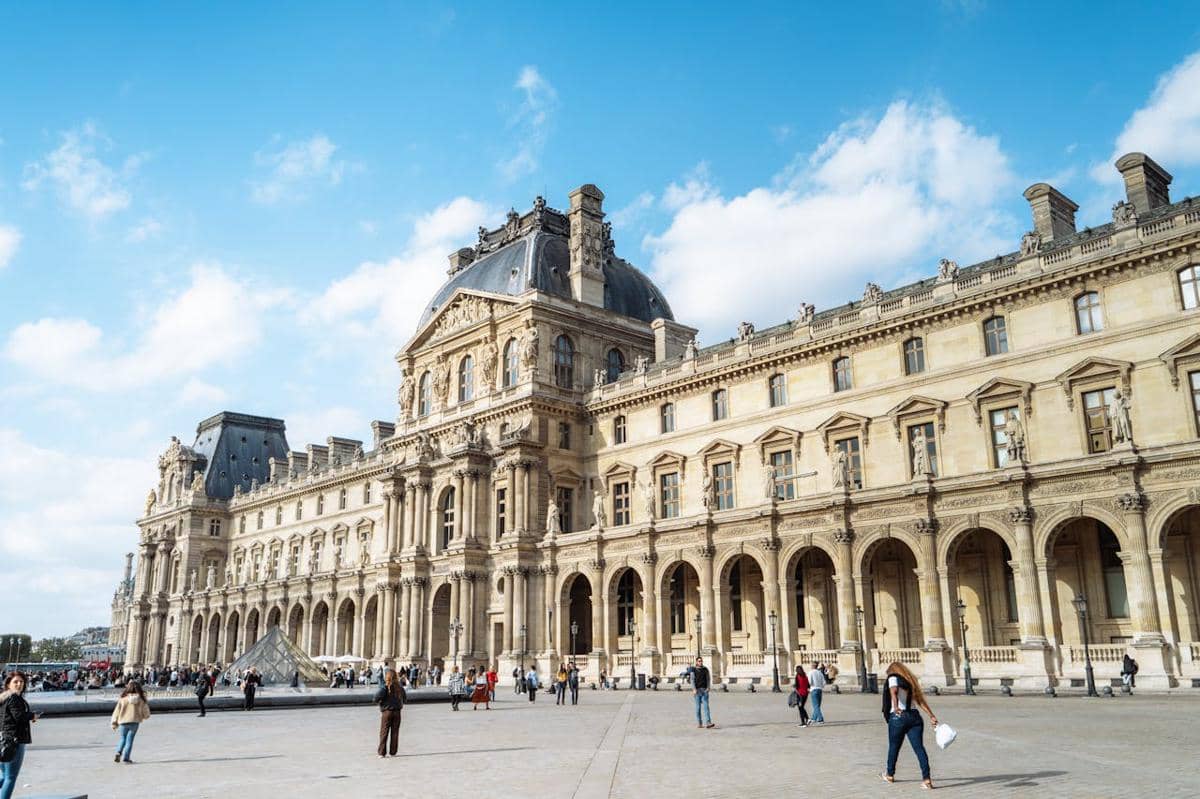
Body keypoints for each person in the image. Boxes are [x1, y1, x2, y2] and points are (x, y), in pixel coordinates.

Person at [881, 661, 938, 789]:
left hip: (898, 717)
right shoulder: (910, 681)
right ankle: (927, 779)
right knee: (919, 749)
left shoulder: (893, 678)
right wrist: (931, 715)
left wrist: (895, 707)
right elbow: (920, 701)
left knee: (894, 747)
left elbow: (894, 692)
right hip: (914, 716)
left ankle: (890, 774)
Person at [0, 672, 39, 799]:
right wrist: (32, 715)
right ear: (8, 684)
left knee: (4, 776)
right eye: (15, 682)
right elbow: (19, 716)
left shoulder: (3, 698)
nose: (19, 684)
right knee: (10, 778)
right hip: (14, 741)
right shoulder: (14, 698)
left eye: (21, 682)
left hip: (3, 739)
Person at [110, 681, 151, 763]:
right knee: (129, 740)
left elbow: (116, 712)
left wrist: (114, 722)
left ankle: (118, 752)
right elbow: (146, 712)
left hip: (123, 722)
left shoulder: (123, 700)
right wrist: (145, 716)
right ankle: (126, 758)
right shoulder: (141, 700)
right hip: (134, 722)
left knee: (123, 739)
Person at [373, 669, 406, 758]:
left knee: (384, 732)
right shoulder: (400, 687)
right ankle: (393, 752)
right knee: (395, 732)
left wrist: (381, 703)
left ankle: (382, 753)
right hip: (397, 712)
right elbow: (405, 699)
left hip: (387, 712)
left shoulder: (384, 687)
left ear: (386, 677)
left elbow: (375, 697)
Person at [692, 657, 715, 729]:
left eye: (701, 661)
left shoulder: (705, 669)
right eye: (699, 661)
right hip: (697, 691)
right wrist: (694, 689)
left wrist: (708, 687)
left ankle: (708, 722)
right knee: (698, 708)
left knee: (706, 707)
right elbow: (692, 680)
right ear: (696, 662)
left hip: (704, 690)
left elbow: (708, 679)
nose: (700, 662)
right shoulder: (693, 670)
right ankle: (699, 722)